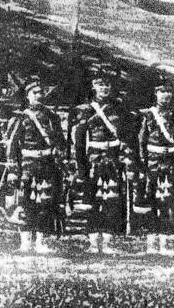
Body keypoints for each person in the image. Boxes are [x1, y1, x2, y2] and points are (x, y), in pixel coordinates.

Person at [70, 71, 136, 254]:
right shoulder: (85, 110)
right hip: (93, 161)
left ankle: (106, 243)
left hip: (113, 161)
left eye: (107, 85)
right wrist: (81, 168)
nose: (104, 88)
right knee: (92, 202)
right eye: (100, 85)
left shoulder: (119, 109)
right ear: (93, 87)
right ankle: (92, 243)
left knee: (112, 203)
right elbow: (79, 141)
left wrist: (127, 161)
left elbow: (127, 138)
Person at [5, 79, 67, 254]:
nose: (39, 96)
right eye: (35, 93)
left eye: (41, 93)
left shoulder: (52, 117)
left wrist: (59, 155)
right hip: (27, 166)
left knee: (45, 204)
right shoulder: (20, 117)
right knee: (25, 203)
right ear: (28, 95)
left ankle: (40, 242)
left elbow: (60, 143)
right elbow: (12, 146)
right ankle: (25, 243)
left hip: (47, 166)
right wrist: (12, 172)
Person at [137, 83, 174, 255]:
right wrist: (141, 164)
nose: (166, 95)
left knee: (170, 202)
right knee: (151, 200)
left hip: (172, 163)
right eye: (162, 92)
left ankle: (165, 244)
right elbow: (141, 141)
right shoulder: (147, 115)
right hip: (152, 162)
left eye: (168, 92)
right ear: (156, 94)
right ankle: (150, 244)